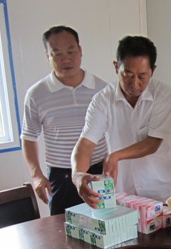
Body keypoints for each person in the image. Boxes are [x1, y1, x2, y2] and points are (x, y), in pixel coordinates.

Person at [71, 36, 171, 207]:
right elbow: (86, 143)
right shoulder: (103, 100)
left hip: (166, 190)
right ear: (116, 67)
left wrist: (115, 156)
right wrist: (77, 175)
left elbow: (153, 143)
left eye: (142, 76)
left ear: (153, 70)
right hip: (127, 193)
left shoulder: (163, 95)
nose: (135, 83)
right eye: (127, 75)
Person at [21, 25, 108, 215]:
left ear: (80, 50)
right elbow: (29, 137)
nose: (66, 59)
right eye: (57, 54)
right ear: (48, 56)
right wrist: (36, 175)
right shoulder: (36, 94)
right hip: (61, 176)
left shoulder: (102, 89)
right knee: (61, 227)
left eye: (71, 51)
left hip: (98, 172)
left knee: (105, 223)